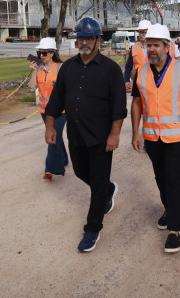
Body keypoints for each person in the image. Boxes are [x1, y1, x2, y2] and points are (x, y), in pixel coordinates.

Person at [45, 17, 128, 252]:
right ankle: (108, 190)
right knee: (81, 172)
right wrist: (50, 127)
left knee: (98, 183)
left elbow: (119, 107)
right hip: (76, 135)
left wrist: (115, 135)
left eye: (89, 38)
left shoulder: (111, 70)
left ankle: (92, 229)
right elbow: (55, 101)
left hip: (101, 138)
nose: (85, 42)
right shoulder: (68, 68)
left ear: (98, 40)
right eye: (81, 37)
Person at [131, 24, 180, 254]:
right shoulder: (141, 72)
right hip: (152, 137)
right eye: (148, 45)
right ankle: (169, 209)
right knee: (160, 178)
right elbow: (136, 102)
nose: (151, 49)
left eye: (156, 45)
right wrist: (135, 131)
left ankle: (174, 230)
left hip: (175, 137)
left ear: (167, 47)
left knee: (173, 180)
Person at [29, 37, 67, 180]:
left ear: (52, 53)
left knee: (52, 137)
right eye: (40, 53)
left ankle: (50, 169)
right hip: (44, 111)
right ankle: (64, 159)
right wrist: (33, 71)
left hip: (60, 111)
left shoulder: (61, 68)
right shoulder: (38, 69)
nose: (41, 56)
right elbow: (32, 87)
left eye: (44, 53)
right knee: (56, 136)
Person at [123, 19, 152, 92]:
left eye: (144, 32)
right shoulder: (134, 47)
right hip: (138, 81)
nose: (142, 34)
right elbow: (128, 66)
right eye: (140, 32)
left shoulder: (154, 47)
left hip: (152, 80)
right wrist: (126, 80)